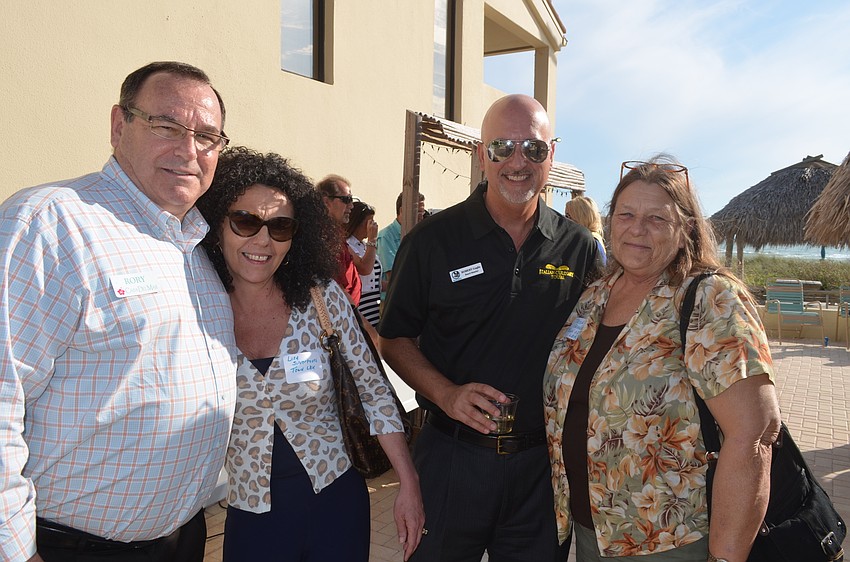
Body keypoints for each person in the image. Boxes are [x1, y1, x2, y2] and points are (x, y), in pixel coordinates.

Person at [0, 61, 237, 562]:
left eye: (207, 137)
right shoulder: (50, 222)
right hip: (69, 547)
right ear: (118, 125)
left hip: (182, 538)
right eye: (166, 126)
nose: (188, 150)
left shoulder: (199, 245)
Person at [379, 94, 598, 562]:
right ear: (482, 155)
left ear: (550, 155)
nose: (518, 162)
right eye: (502, 147)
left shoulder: (578, 248)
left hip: (541, 470)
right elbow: (393, 339)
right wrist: (446, 394)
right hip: (451, 458)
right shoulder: (432, 241)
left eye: (533, 148)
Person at [544, 156, 782, 561]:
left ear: (685, 229)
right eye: (626, 215)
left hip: (669, 540)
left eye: (657, 218)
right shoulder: (596, 294)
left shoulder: (709, 298)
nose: (637, 229)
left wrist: (726, 556)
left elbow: (754, 434)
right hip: (593, 533)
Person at [195, 146, 424, 562]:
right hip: (252, 517)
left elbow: (374, 392)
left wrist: (408, 485)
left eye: (280, 226)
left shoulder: (321, 298)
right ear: (217, 224)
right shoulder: (198, 308)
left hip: (336, 506)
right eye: (245, 221)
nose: (262, 240)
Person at [317, 174, 362, 305]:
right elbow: (337, 287)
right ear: (326, 202)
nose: (351, 206)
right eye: (346, 199)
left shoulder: (334, 234)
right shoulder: (324, 237)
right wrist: (356, 315)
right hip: (339, 310)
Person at [376, 191, 425, 299]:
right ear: (402, 210)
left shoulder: (418, 234)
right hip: (394, 299)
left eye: (423, 212)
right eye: (418, 212)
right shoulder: (386, 236)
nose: (421, 217)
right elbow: (393, 275)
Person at [346, 201, 382, 328]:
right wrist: (372, 240)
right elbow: (365, 268)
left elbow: (374, 281)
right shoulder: (348, 245)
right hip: (360, 308)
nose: (373, 225)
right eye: (369, 222)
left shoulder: (364, 246)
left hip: (373, 308)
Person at [565, 195, 607, 267]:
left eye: (567, 216)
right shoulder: (592, 240)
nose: (565, 220)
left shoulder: (590, 242)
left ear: (580, 217)